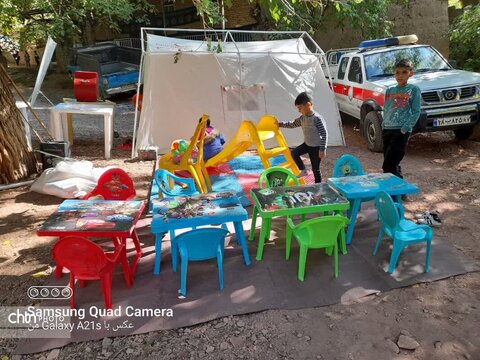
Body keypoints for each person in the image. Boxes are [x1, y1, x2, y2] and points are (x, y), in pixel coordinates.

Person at [382, 59, 421, 179]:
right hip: (387, 129)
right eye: (397, 72)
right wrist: (383, 125)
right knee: (392, 163)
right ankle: (397, 193)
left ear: (411, 73)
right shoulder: (390, 90)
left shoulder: (413, 90)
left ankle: (396, 193)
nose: (400, 75)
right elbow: (387, 109)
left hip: (400, 131)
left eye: (404, 72)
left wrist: (405, 129)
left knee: (389, 165)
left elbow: (416, 111)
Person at [277, 92, 328, 183]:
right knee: (294, 153)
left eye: (300, 108)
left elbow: (324, 134)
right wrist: (280, 124)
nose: (299, 110)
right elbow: (292, 124)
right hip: (307, 144)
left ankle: (319, 186)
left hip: (316, 148)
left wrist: (322, 149)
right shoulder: (302, 118)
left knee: (315, 169)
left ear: (308, 105)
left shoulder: (317, 118)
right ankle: (303, 170)